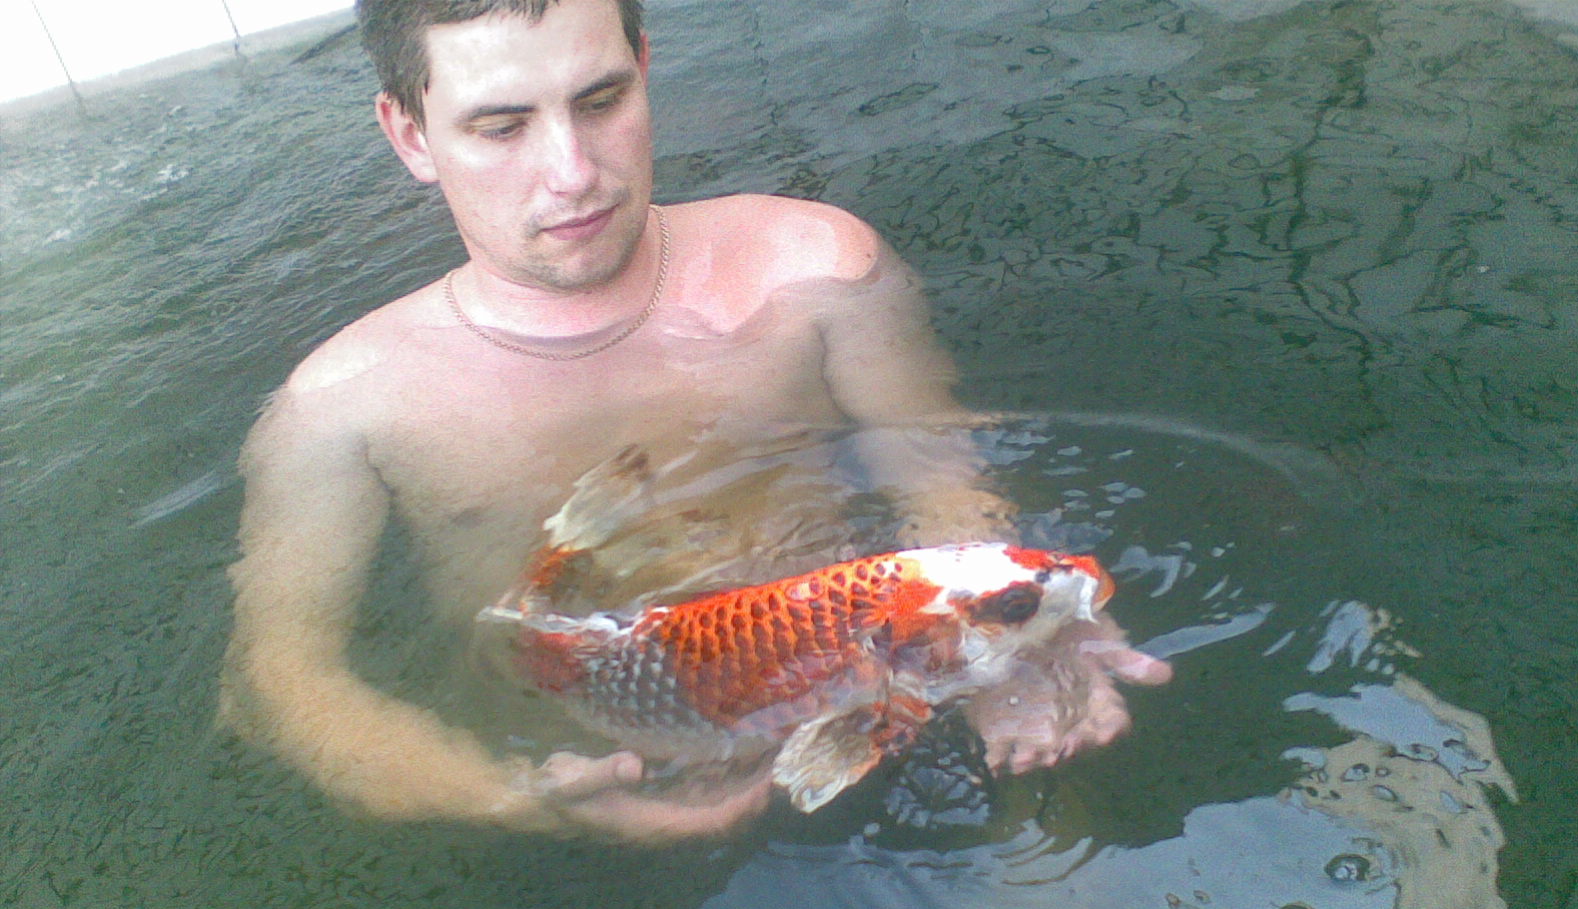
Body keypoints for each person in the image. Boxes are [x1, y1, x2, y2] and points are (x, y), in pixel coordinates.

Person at [221, 0, 1170, 841]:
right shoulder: (342, 409)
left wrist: (1005, 655)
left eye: (601, 100)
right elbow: (277, 687)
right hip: (596, 801)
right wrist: (514, 797)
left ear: (645, 66)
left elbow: (942, 475)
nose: (571, 173)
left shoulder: (817, 273)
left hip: (899, 726)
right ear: (411, 134)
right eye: (501, 126)